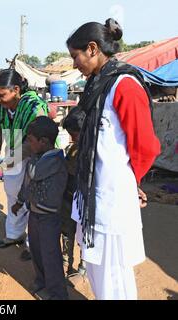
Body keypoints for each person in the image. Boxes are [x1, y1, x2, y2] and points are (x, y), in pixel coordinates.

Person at [66, 19, 161, 300]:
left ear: (92, 49)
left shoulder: (125, 85)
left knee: (113, 274)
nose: (74, 65)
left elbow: (145, 147)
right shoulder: (98, 84)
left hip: (111, 197)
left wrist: (132, 183)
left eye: (76, 56)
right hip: (92, 195)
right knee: (96, 266)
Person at [0, 69, 49, 259]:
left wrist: (1, 168)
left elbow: (32, 144)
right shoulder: (0, 108)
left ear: (15, 89)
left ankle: (33, 243)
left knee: (33, 200)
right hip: (14, 155)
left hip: (37, 156)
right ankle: (15, 235)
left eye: (1, 95)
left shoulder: (34, 106)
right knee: (13, 195)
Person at [12, 116, 68, 300]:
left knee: (51, 255)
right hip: (34, 215)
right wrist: (20, 201)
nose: (28, 143)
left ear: (44, 141)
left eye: (30, 140)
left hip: (49, 218)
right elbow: (26, 183)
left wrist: (29, 158)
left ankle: (57, 293)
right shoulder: (37, 157)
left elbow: (34, 174)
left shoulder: (55, 158)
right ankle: (41, 279)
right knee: (36, 251)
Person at [60, 107, 87, 277]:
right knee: (66, 230)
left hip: (83, 199)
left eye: (74, 134)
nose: (71, 138)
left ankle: (83, 267)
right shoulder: (72, 149)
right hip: (68, 197)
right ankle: (65, 261)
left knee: (84, 234)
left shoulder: (93, 151)